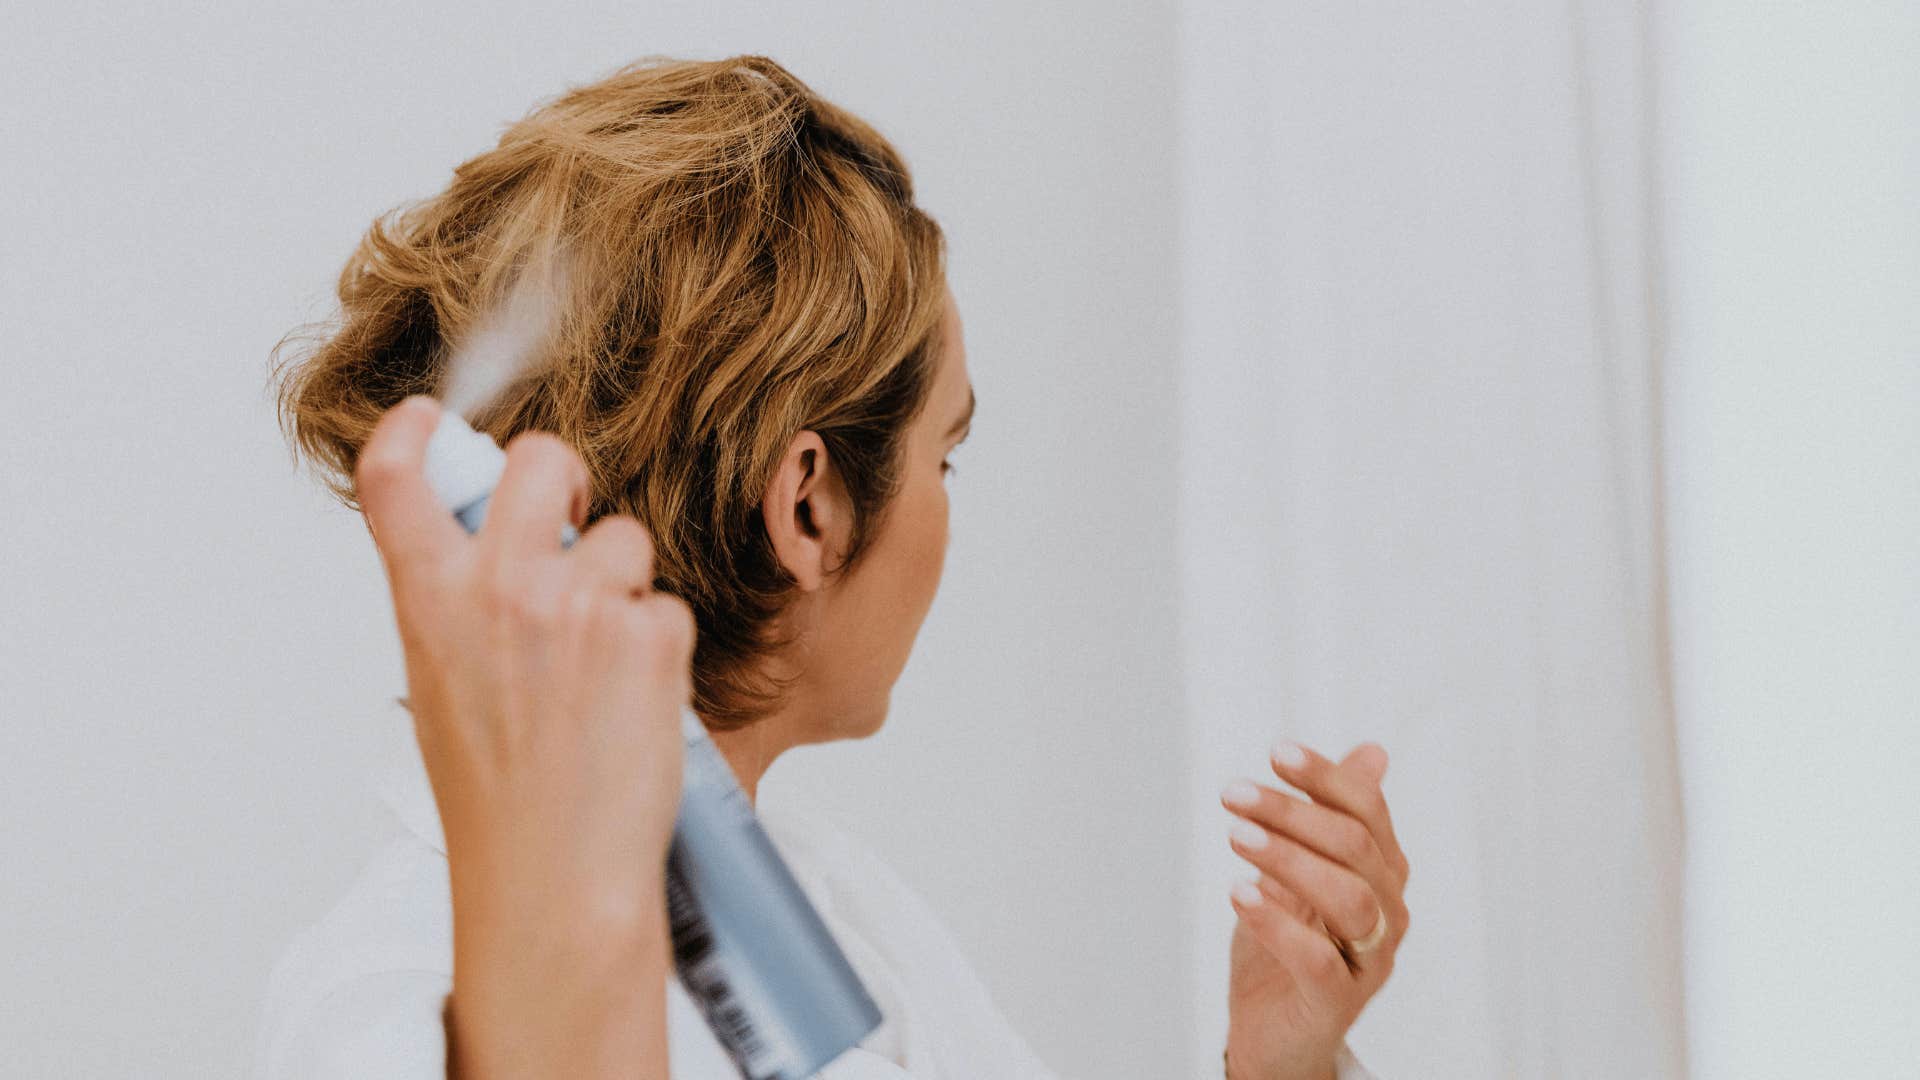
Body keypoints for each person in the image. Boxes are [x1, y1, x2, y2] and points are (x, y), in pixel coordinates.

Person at [258, 55, 1410, 1080]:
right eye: (942, 458)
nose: (947, 514)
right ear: (808, 505)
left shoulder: (826, 912)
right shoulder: (391, 1008)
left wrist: (1281, 1065)